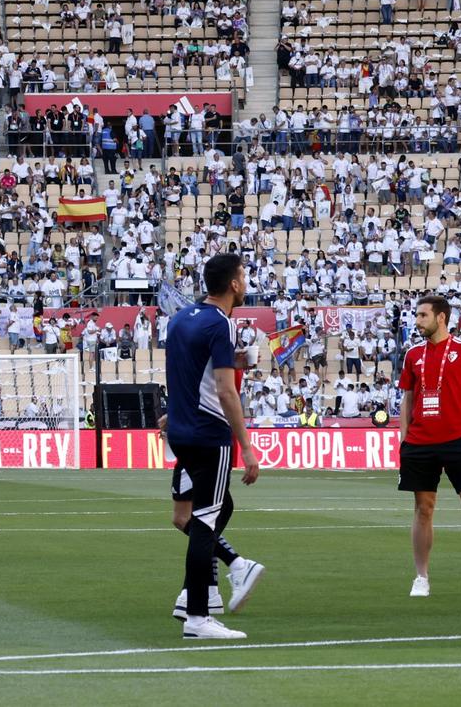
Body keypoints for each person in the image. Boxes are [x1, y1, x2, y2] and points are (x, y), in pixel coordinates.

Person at [164, 252, 264, 641]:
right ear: (234, 284)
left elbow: (186, 371)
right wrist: (247, 447)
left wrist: (235, 361)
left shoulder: (182, 319)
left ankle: (208, 587)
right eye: (244, 275)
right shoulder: (220, 325)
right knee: (205, 518)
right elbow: (224, 391)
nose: (246, 282)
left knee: (210, 512)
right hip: (209, 433)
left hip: (183, 432)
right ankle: (198, 613)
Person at [396, 293, 461, 600]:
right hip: (420, 442)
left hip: (458, 440)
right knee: (423, 508)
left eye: (422, 315)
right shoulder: (413, 354)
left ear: (441, 317)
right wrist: (404, 437)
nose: (417, 321)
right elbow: (407, 398)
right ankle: (421, 577)